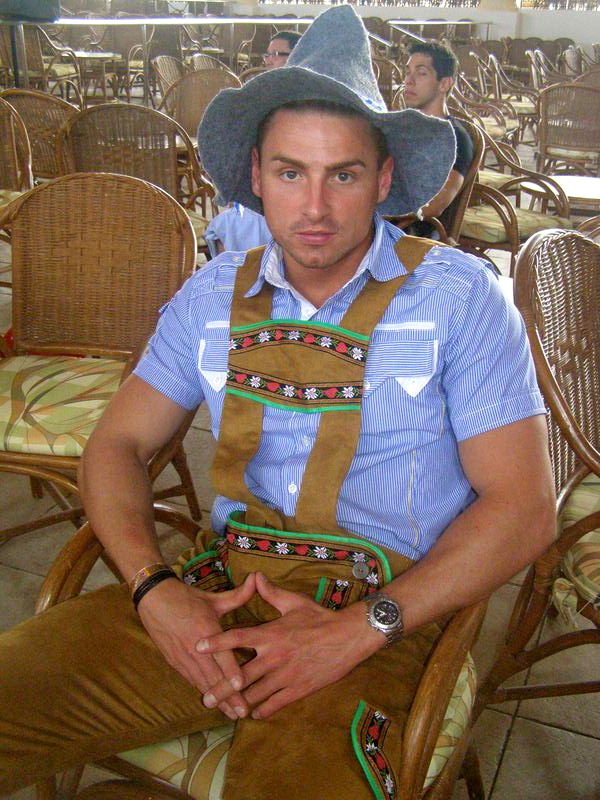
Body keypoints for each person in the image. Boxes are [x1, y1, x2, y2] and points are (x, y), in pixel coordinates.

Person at [0, 7, 555, 799]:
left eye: (344, 174)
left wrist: (362, 629)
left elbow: (524, 508)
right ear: (256, 176)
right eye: (291, 173)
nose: (315, 207)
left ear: (384, 179)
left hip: (386, 614)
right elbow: (116, 446)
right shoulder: (209, 297)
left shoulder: (461, 298)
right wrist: (155, 589)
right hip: (219, 591)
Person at [402, 39, 474, 233]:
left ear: (444, 83)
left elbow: (436, 206)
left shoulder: (455, 138)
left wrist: (381, 210)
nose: (409, 81)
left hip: (412, 235)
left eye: (421, 73)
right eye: (407, 72)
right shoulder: (401, 127)